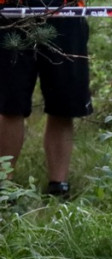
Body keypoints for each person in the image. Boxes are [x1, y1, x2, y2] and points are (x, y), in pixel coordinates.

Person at [0, 0, 92, 197]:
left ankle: (59, 186)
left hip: (66, 11)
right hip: (11, 11)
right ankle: (3, 186)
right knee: (10, 104)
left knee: (65, 105)